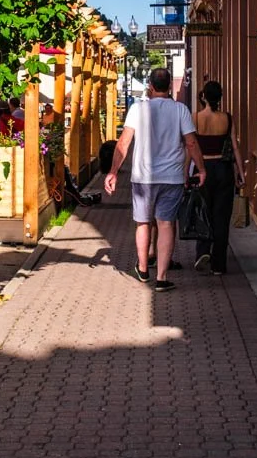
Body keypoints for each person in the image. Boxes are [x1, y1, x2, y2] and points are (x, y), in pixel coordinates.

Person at [104, 67, 206, 292]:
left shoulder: (137, 109)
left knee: (142, 222)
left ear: (150, 86)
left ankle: (142, 268)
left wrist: (112, 172)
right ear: (170, 86)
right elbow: (191, 142)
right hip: (171, 178)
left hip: (142, 177)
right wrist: (200, 168)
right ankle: (161, 277)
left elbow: (123, 143)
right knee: (166, 224)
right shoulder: (181, 110)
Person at [193, 81, 246, 276]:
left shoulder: (196, 118)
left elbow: (189, 148)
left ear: (204, 97)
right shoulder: (227, 119)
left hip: (202, 169)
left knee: (203, 212)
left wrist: (184, 175)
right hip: (223, 170)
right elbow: (235, 148)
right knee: (221, 217)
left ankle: (203, 250)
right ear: (220, 98)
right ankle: (219, 264)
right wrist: (240, 173)